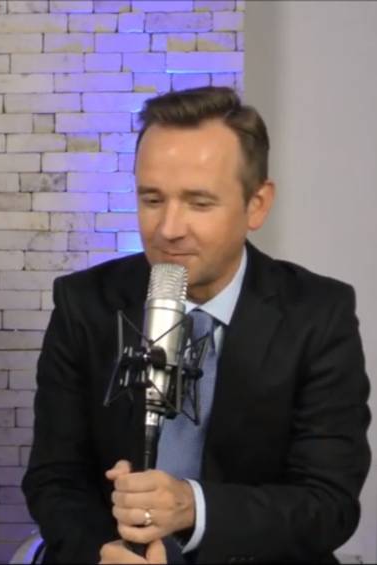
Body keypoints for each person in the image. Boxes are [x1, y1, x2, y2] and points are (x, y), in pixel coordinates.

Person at [22, 86, 371, 563]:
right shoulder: (84, 303)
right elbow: (53, 478)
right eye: (152, 199)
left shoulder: (318, 314)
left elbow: (328, 504)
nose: (168, 229)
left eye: (199, 203)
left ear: (257, 204)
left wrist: (192, 507)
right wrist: (105, 551)